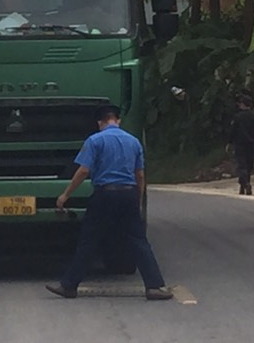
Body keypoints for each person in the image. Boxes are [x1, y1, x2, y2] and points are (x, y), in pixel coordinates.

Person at [47, 105, 172, 300]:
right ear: (117, 120)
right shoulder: (134, 142)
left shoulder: (95, 140)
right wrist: (137, 200)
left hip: (105, 194)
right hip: (129, 194)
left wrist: (65, 195)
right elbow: (139, 174)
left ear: (100, 122)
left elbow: (83, 171)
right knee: (138, 240)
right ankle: (155, 286)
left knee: (89, 241)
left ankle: (69, 285)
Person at [227, 93, 254, 195]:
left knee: (241, 165)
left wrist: (229, 142)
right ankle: (245, 184)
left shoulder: (237, 117)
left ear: (242, 104)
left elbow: (233, 131)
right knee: (248, 165)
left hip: (240, 144)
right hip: (252, 144)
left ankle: (245, 183)